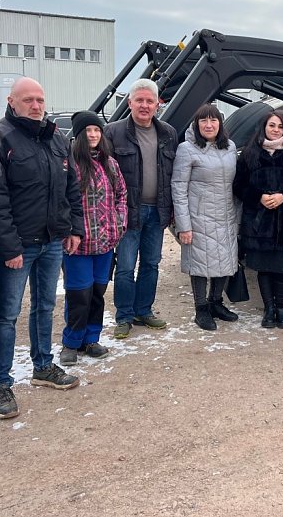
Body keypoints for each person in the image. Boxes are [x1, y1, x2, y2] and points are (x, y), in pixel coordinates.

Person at [0, 77, 84, 420]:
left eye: (40, 99)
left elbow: (72, 188)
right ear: (12, 102)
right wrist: (9, 247)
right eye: (28, 100)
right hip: (19, 245)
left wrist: (72, 228)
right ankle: (0, 383)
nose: (35, 105)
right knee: (7, 315)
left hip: (53, 240)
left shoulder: (55, 137)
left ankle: (43, 366)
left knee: (44, 306)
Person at [103, 79, 176, 338]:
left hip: (157, 211)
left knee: (151, 264)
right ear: (130, 103)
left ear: (158, 104)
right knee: (124, 266)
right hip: (127, 213)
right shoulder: (113, 132)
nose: (145, 105)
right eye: (140, 100)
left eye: (150, 101)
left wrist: (171, 210)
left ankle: (144, 310)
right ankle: (123, 316)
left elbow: (171, 174)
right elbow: (105, 175)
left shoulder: (168, 132)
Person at [233, 111, 283, 329]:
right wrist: (258, 196)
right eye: (272, 125)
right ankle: (269, 309)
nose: (276, 129)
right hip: (258, 222)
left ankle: (281, 308)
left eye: (280, 126)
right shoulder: (250, 154)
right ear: (264, 128)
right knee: (264, 267)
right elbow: (239, 185)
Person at [59, 111, 127, 366]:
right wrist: (68, 231)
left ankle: (91, 338)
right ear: (78, 135)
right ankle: (71, 341)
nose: (93, 135)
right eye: (87, 131)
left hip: (105, 242)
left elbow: (122, 194)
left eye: (97, 130)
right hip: (78, 243)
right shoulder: (70, 165)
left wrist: (120, 222)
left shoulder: (111, 164)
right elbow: (62, 201)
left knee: (98, 292)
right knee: (79, 294)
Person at [172, 105, 240, 331]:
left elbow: (235, 184)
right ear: (197, 124)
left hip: (225, 213)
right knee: (200, 263)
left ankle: (216, 302)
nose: (209, 125)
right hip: (198, 216)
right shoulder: (187, 149)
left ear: (220, 123)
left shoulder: (229, 147)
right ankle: (201, 308)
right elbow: (178, 188)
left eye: (213, 120)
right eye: (203, 121)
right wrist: (183, 225)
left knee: (224, 260)